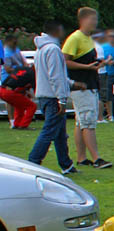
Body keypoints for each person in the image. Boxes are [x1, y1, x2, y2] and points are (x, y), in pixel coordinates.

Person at [62, 7, 110, 169]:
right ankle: (96, 158)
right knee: (88, 122)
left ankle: (82, 158)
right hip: (81, 86)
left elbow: (88, 62)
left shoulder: (88, 39)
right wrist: (86, 67)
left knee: (80, 122)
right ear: (83, 20)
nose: (95, 23)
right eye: (92, 20)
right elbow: (65, 61)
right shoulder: (75, 38)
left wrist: (99, 65)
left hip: (90, 84)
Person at [29, 21, 80, 173]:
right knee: (49, 132)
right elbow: (56, 76)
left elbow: (51, 75)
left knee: (59, 133)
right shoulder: (53, 49)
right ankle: (33, 162)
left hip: (45, 96)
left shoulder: (41, 49)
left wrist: (71, 84)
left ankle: (66, 164)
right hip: (53, 98)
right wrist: (62, 100)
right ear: (56, 31)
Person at [1, 36, 34, 129]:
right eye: (14, 42)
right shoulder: (6, 53)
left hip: (20, 77)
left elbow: (23, 61)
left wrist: (25, 68)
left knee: (20, 100)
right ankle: (12, 121)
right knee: (11, 101)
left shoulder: (16, 49)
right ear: (8, 42)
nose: (16, 44)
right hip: (9, 79)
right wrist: (21, 70)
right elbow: (8, 69)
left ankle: (18, 121)